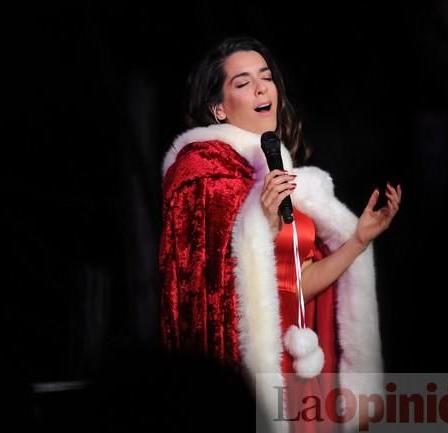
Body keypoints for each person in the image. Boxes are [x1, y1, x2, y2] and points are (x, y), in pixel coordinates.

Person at [158, 36, 401, 432]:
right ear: (218, 108)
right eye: (242, 82)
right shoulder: (201, 174)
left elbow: (296, 286)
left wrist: (358, 240)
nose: (260, 88)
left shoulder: (281, 177)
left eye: (266, 77)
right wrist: (262, 223)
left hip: (301, 364)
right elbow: (209, 283)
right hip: (253, 367)